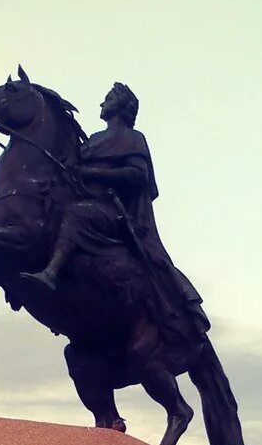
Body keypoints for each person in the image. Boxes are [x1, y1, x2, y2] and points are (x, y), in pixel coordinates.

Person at [23, 82, 208, 348]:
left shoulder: (133, 138)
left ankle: (51, 273)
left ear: (122, 106)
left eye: (108, 98)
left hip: (109, 212)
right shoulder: (93, 140)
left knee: (77, 214)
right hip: (85, 200)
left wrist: (94, 173)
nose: (102, 104)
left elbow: (137, 174)